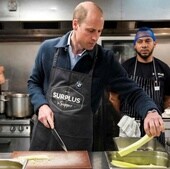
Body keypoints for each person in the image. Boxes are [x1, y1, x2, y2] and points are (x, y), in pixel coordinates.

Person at [28, 2, 164, 151]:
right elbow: (34, 82)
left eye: (99, 31)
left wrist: (150, 111)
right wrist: (41, 105)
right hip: (45, 138)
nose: (95, 37)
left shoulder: (105, 59)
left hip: (78, 144)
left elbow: (133, 92)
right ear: (75, 24)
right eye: (91, 30)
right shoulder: (48, 49)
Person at [110, 27, 170, 146]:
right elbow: (113, 98)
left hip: (154, 129)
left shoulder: (163, 68)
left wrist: (157, 115)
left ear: (154, 43)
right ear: (134, 45)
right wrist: (121, 119)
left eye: (148, 41)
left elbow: (168, 99)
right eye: (140, 41)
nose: (144, 45)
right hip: (129, 128)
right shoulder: (124, 68)